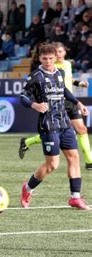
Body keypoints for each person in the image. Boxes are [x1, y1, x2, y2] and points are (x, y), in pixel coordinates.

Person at [20, 44, 89, 210]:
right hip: (48, 124)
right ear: (40, 58)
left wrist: (78, 103)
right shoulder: (35, 76)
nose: (48, 61)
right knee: (53, 165)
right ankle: (27, 188)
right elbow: (22, 97)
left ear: (55, 58)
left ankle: (75, 197)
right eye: (45, 59)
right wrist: (34, 105)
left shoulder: (60, 72)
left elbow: (64, 90)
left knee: (74, 157)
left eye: (51, 58)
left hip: (64, 121)